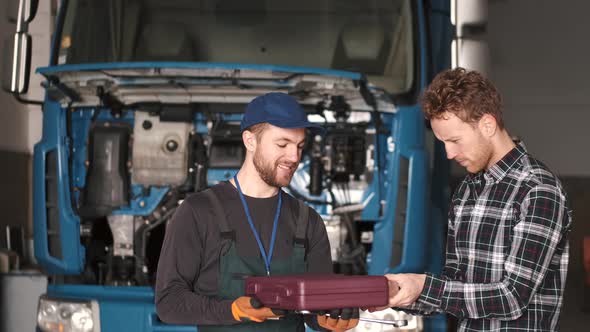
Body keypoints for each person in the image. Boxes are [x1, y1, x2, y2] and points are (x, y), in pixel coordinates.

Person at [379, 68, 572, 331]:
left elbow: (512, 298)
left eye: (455, 140)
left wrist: (424, 285)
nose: (448, 153)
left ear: (488, 125)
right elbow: (455, 286)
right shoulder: (467, 190)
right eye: (443, 142)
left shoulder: (538, 190)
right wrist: (400, 292)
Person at [155, 92, 359, 332]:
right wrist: (232, 310)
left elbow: (315, 311)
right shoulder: (199, 212)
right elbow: (169, 303)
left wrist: (332, 317)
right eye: (282, 144)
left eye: (300, 146)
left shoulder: (308, 221)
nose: (294, 157)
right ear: (250, 141)